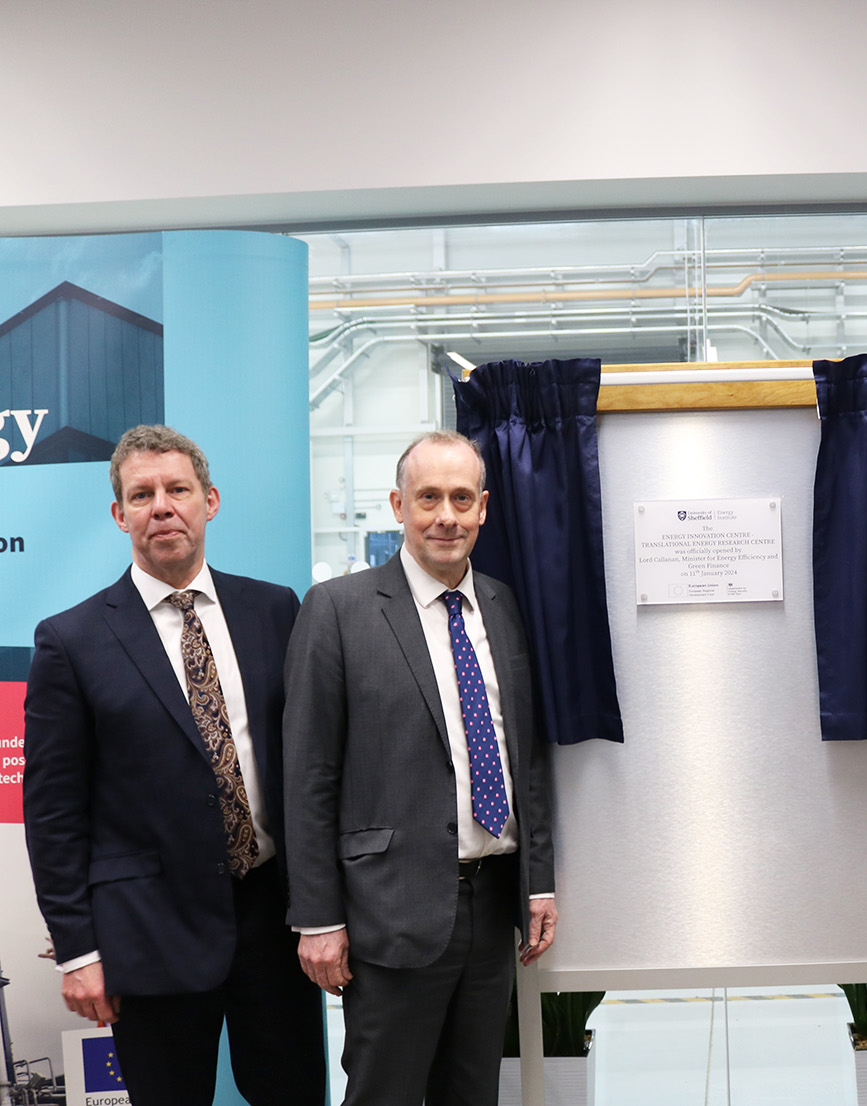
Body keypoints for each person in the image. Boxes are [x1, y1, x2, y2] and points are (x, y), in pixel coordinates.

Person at [22, 425, 324, 1106]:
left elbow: (310, 767)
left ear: (209, 500)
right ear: (118, 514)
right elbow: (53, 812)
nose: (161, 506)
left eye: (177, 489)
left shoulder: (275, 609)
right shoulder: (71, 640)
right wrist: (78, 951)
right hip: (150, 932)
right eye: (142, 494)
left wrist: (326, 908)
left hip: (277, 925)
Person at [284, 429, 556, 1106]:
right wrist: (317, 918)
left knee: (473, 1093)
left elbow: (527, 757)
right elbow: (309, 774)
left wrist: (539, 881)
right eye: (428, 497)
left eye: (461, 498)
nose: (446, 515)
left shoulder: (503, 606)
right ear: (397, 504)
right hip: (390, 911)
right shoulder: (338, 610)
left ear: (484, 507)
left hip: (492, 906)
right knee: (386, 1095)